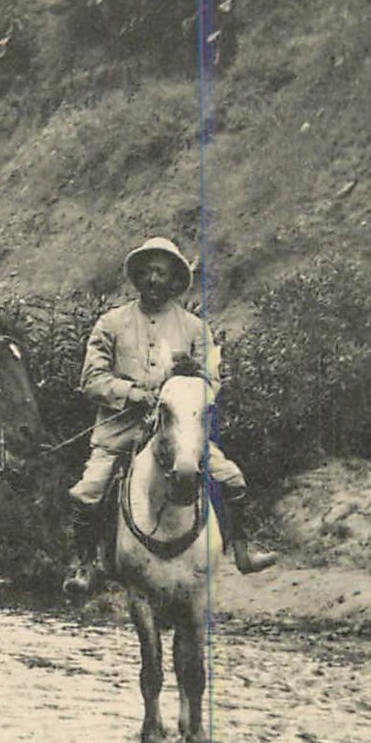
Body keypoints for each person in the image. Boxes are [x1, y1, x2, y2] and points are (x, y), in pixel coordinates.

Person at [61, 236, 278, 595]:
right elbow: (91, 380)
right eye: (146, 272)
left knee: (232, 478)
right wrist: (133, 393)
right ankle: (85, 564)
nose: (153, 280)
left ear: (175, 280)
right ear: (137, 279)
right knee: (89, 490)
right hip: (121, 430)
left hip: (179, 432)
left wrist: (186, 383)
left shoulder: (195, 329)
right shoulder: (111, 323)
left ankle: (242, 549)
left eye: (161, 273)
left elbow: (212, 382)